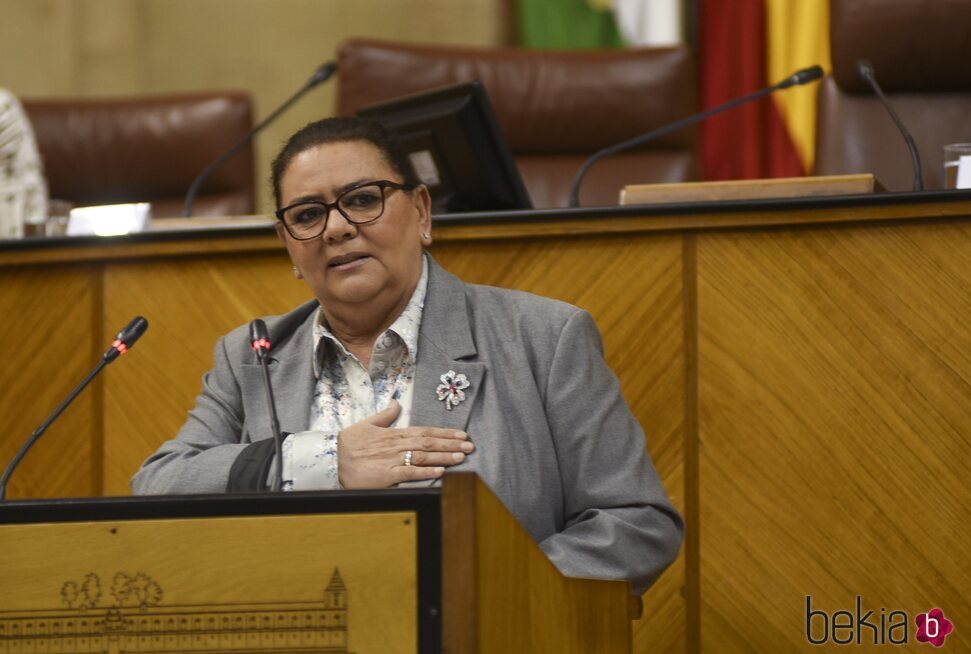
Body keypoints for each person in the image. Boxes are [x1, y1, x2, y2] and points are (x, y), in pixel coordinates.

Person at [132, 117, 682, 593]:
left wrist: (489, 586)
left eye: (363, 200)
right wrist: (325, 463)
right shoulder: (249, 357)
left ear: (421, 213)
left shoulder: (543, 337)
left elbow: (636, 525)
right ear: (289, 246)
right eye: (306, 215)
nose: (338, 228)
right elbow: (159, 485)